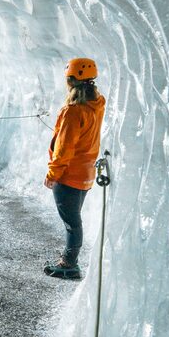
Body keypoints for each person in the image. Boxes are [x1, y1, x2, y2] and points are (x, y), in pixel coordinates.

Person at [43, 58, 107, 280]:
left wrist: (53, 174)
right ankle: (69, 261)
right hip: (85, 174)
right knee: (74, 220)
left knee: (72, 223)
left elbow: (64, 149)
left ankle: (69, 264)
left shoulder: (73, 111)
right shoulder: (97, 104)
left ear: (70, 81)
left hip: (68, 175)